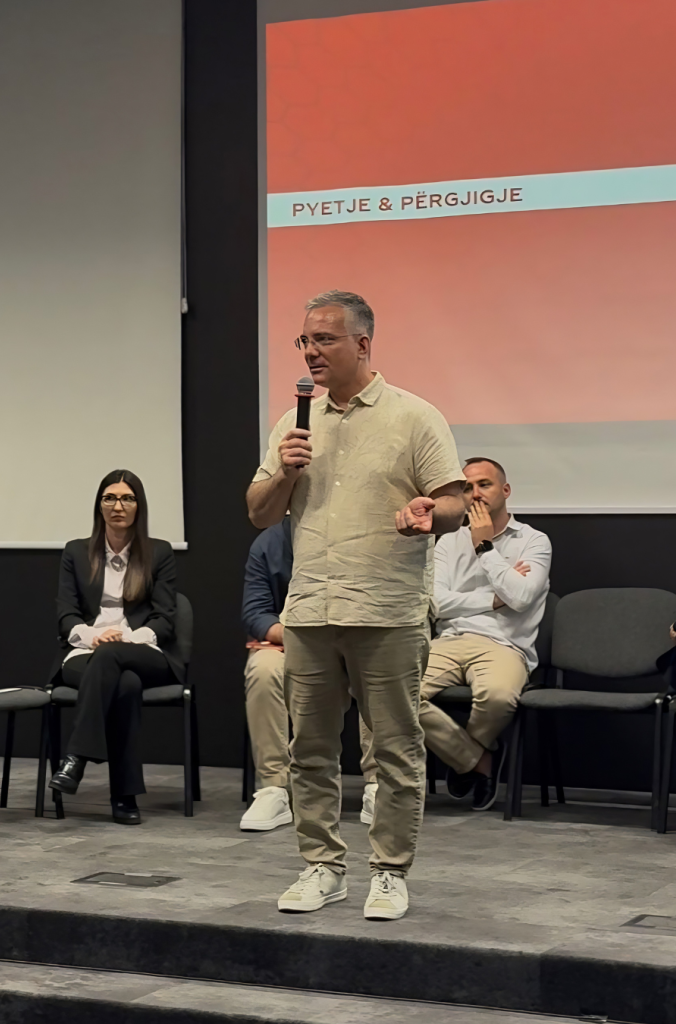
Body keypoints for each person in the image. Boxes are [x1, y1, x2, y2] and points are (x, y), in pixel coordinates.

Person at [246, 290, 464, 921]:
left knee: (395, 751)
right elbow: (259, 512)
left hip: (387, 609)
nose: (310, 352)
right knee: (309, 751)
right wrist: (285, 473)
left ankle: (390, 872)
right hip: (310, 609)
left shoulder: (415, 416)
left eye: (325, 340)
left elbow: (453, 503)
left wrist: (429, 513)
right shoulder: (293, 424)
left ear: (363, 344)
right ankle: (322, 866)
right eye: (305, 341)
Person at [47, 469, 185, 825]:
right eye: (109, 498)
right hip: (86, 652)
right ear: (99, 505)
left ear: (139, 506)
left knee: (114, 658)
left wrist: (124, 638)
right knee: (125, 684)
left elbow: (164, 620)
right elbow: (66, 615)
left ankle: (76, 758)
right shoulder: (76, 552)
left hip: (142, 650)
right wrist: (93, 637)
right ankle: (125, 796)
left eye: (127, 498)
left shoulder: (159, 552)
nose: (118, 506)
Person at [420, 458, 551, 811]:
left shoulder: (534, 541)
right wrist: (493, 599)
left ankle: (468, 757)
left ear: (505, 491)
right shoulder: (448, 542)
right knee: (394, 695)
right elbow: (436, 603)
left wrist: (484, 547)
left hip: (504, 644)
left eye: (484, 484)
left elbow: (521, 598)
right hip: (449, 641)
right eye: (467, 487)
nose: (475, 494)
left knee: (498, 697)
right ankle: (477, 760)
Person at [240, 517, 379, 831]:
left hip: (351, 639)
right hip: (290, 642)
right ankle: (274, 788)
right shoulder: (269, 543)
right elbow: (255, 612)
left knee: (377, 666)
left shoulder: (360, 536)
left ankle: (378, 784)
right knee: (262, 669)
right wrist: (297, 637)